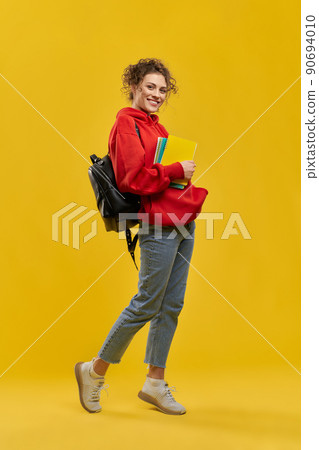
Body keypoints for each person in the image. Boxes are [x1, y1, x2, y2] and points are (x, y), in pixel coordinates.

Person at [75, 58, 208, 415]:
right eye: (150, 87)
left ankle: (154, 382)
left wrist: (178, 177)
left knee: (172, 304)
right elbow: (133, 178)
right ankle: (94, 371)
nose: (157, 94)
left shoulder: (157, 128)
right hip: (156, 223)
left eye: (163, 89)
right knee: (148, 302)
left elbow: (158, 175)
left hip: (181, 219)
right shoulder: (125, 123)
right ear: (134, 86)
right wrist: (175, 169)